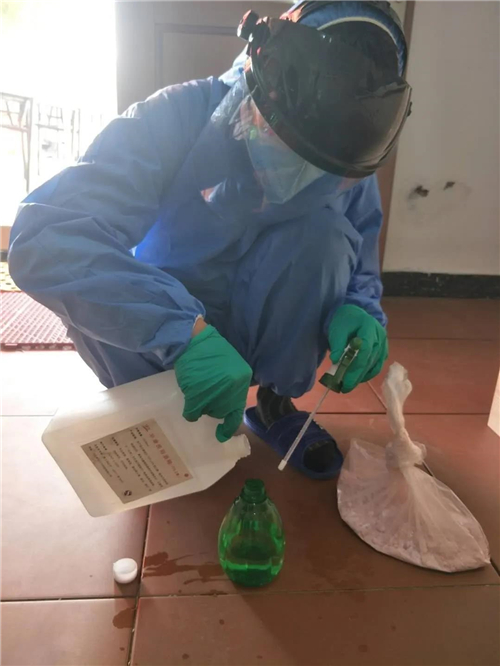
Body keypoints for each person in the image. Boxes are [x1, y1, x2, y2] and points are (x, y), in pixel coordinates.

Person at [8, 1, 412, 478]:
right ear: (261, 91)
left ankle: (273, 404)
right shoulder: (173, 116)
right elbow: (45, 238)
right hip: (161, 320)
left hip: (251, 311)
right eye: (289, 146)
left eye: (325, 171)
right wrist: (181, 331)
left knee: (324, 236)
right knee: (162, 413)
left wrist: (360, 312)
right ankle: (162, 410)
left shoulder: (346, 155)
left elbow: (358, 251)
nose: (304, 176)